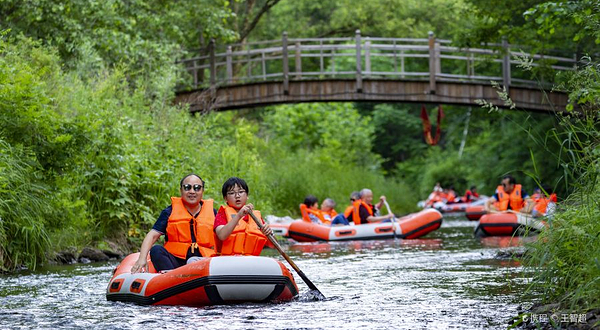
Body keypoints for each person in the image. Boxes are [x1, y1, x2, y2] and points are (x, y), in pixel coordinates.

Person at [131, 174, 216, 273]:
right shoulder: (169, 211)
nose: (192, 191)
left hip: (203, 261)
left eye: (197, 188)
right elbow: (153, 235)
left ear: (202, 191)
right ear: (181, 190)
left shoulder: (213, 212)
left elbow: (223, 235)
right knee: (156, 250)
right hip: (176, 261)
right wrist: (142, 258)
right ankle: (171, 278)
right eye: (187, 187)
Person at [213, 177, 272, 255]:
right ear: (225, 198)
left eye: (241, 192)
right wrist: (239, 215)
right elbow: (222, 235)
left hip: (250, 260)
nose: (237, 196)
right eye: (231, 193)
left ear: (247, 195)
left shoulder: (255, 217)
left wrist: (268, 232)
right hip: (226, 260)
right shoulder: (222, 214)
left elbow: (271, 244)